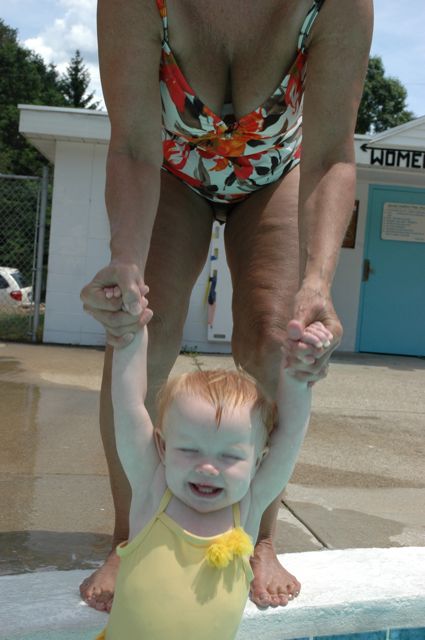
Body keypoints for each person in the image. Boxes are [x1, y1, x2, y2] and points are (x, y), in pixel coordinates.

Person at [80, 0, 373, 611]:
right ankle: (129, 534)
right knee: (139, 327)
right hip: (169, 169)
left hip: (276, 174)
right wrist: (124, 265)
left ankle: (259, 536)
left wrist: (317, 285)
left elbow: (330, 155)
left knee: (276, 339)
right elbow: (134, 143)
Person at [94, 296, 330, 639]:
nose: (207, 467)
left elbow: (290, 434)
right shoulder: (153, 494)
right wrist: (130, 334)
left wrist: (298, 371)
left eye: (230, 457)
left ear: (257, 463)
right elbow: (129, 408)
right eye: (189, 450)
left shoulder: (246, 511)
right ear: (162, 447)